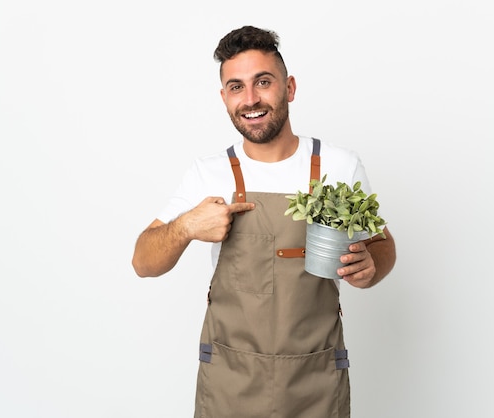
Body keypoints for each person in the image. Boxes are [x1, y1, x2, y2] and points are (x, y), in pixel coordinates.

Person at [132, 25, 396, 418]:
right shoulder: (208, 173)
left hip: (315, 382)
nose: (251, 99)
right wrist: (187, 226)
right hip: (230, 384)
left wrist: (371, 266)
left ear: (289, 87)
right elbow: (143, 261)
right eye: (236, 87)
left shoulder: (340, 165)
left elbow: (382, 245)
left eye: (263, 82)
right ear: (224, 98)